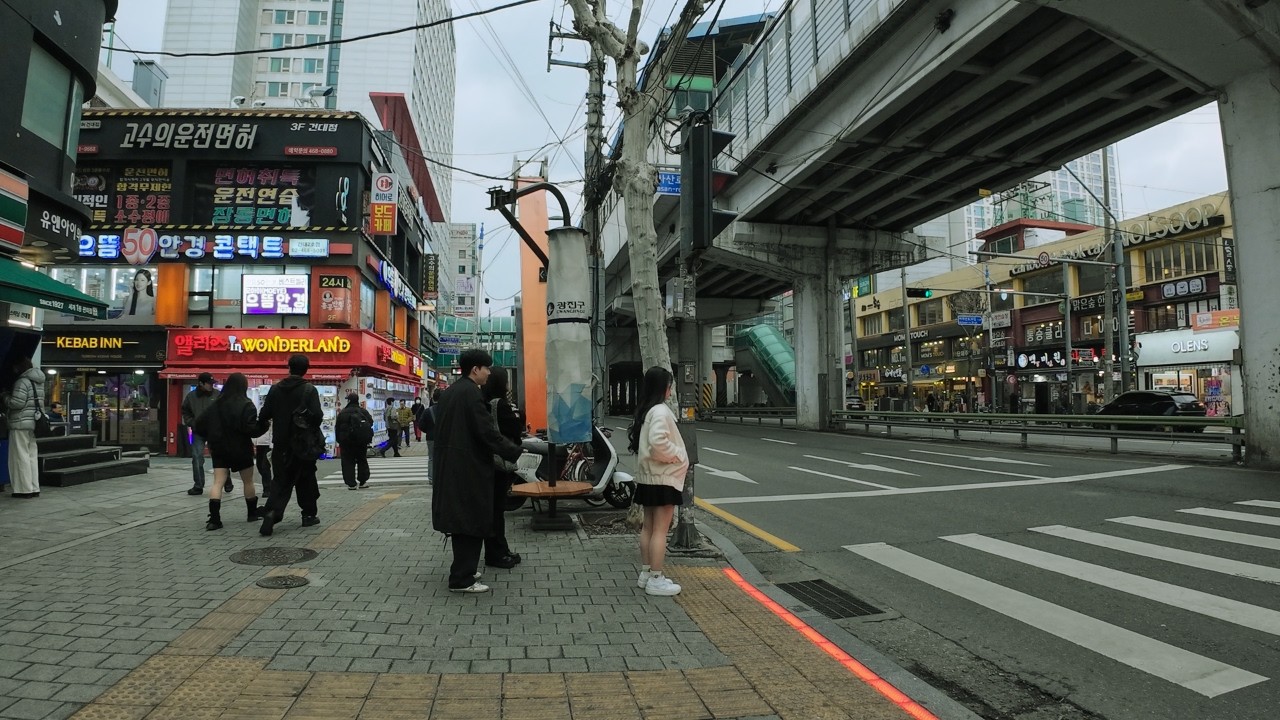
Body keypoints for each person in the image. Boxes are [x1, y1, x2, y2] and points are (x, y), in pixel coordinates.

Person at [431, 349, 523, 593]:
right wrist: (513, 451)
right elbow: (486, 432)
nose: (489, 372)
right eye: (487, 368)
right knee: (470, 520)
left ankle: (465, 569)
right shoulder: (472, 394)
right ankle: (462, 579)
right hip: (468, 468)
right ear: (476, 369)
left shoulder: (451, 392)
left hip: (451, 465)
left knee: (462, 520)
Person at [628, 366, 689, 597]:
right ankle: (656, 577)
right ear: (663, 388)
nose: (671, 392)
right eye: (670, 386)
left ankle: (646, 573)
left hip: (648, 478)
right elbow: (658, 443)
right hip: (663, 478)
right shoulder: (661, 412)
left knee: (649, 528)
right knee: (661, 531)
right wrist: (679, 454)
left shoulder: (647, 411)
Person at [256, 354, 323, 536]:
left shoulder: (275, 389)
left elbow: (264, 414)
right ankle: (308, 515)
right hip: (303, 445)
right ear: (306, 369)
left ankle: (272, 512)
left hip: (280, 443)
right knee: (306, 479)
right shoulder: (309, 390)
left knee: (280, 480)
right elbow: (317, 416)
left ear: (289, 367)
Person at [192, 373, 262, 530]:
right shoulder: (246, 404)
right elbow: (251, 429)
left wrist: (210, 435)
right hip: (241, 447)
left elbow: (199, 424)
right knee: (248, 481)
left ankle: (214, 519)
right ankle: (252, 513)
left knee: (218, 482)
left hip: (219, 448)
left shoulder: (215, 404)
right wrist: (263, 425)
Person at [482, 367, 522, 570]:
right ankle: (496, 553)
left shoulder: (484, 402)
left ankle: (501, 549)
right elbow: (515, 428)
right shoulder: (499, 404)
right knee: (496, 511)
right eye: (506, 381)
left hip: (491, 462)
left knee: (496, 510)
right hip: (499, 462)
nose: (508, 385)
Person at [5, 358, 46, 498]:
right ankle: (34, 487)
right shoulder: (39, 381)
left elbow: (17, 403)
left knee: (20, 456)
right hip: (34, 424)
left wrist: (5, 397)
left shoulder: (22, 381)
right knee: (31, 455)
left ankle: (23, 489)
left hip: (20, 423)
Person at [180, 372, 222, 496]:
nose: (211, 386)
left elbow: (224, 410)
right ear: (201, 384)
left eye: (212, 383)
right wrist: (191, 422)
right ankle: (198, 485)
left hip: (214, 431)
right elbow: (185, 411)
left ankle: (226, 480)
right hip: (198, 431)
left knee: (220, 457)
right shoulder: (191, 397)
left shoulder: (218, 395)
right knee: (197, 457)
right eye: (209, 383)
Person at [335, 391, 373, 489]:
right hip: (361, 441)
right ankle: (363, 481)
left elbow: (337, 427)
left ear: (349, 401)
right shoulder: (363, 411)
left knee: (347, 461)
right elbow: (370, 423)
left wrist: (339, 440)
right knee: (362, 460)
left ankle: (351, 483)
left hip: (346, 442)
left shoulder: (343, 412)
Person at [415, 391, 439, 484]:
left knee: (431, 458)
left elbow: (420, 425)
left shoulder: (428, 411)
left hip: (431, 437)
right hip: (444, 437)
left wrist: (428, 431)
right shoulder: (447, 410)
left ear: (432, 399)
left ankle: (431, 478)